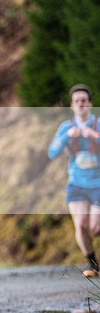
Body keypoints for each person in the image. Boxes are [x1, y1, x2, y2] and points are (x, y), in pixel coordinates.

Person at [49, 84, 100, 278]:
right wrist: (65, 137)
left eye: (84, 101)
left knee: (95, 228)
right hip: (76, 184)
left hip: (98, 184)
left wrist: (94, 136)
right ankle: (93, 265)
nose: (80, 104)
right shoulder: (66, 127)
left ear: (90, 104)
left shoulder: (98, 124)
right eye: (77, 101)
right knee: (80, 225)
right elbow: (52, 153)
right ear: (71, 105)